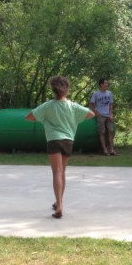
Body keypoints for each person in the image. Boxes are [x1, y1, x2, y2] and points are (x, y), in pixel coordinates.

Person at [26, 76, 95, 219]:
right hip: (68, 141)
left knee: (56, 172)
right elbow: (91, 114)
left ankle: (60, 205)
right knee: (62, 172)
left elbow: (29, 117)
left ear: (53, 90)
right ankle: (59, 202)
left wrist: (43, 119)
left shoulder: (48, 105)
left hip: (53, 140)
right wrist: (74, 118)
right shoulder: (73, 106)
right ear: (67, 90)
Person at [89, 78, 116, 156]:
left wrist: (110, 113)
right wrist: (96, 112)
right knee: (102, 132)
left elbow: (111, 104)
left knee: (111, 131)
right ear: (101, 84)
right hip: (100, 115)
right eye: (106, 83)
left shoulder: (109, 93)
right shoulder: (96, 94)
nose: (107, 84)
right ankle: (105, 150)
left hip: (108, 115)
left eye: (107, 83)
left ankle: (112, 149)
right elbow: (91, 104)